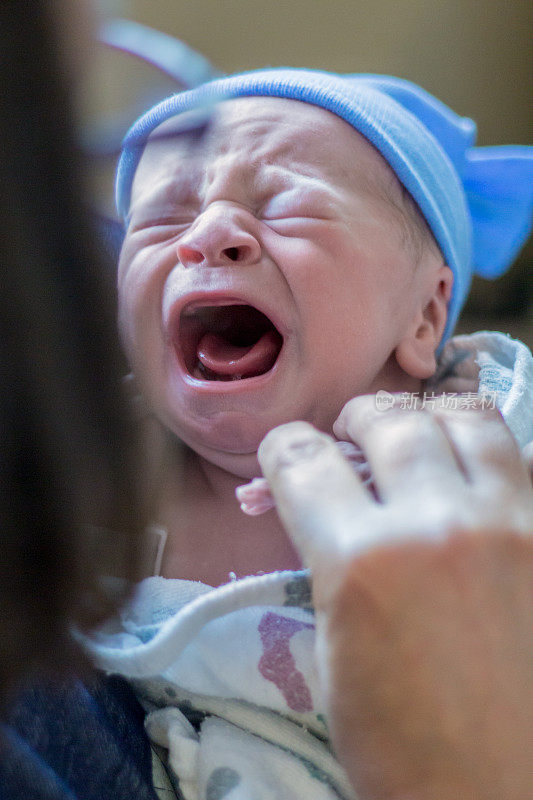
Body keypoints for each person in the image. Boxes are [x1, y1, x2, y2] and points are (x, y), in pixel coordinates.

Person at [84, 70, 533, 798]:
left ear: (423, 317)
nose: (208, 236)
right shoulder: (100, 468)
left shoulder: (492, 437)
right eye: (163, 218)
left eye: (285, 206)